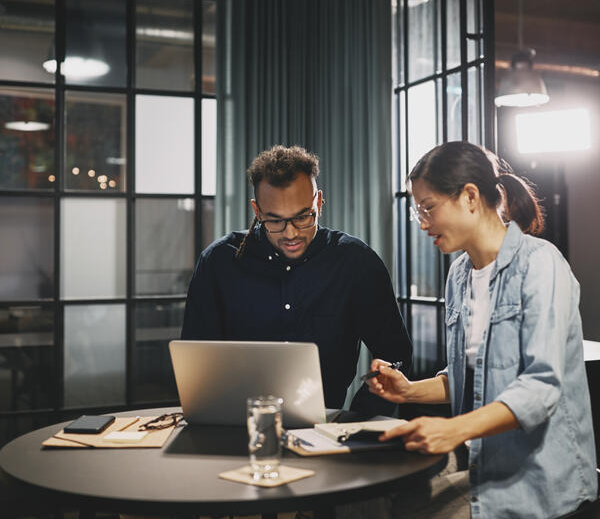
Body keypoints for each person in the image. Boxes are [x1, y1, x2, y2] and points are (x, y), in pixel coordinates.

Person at [367, 141, 597, 518]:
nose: (422, 223)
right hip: (482, 467)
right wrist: (408, 391)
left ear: (470, 197)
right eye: (417, 211)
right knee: (371, 500)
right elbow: (466, 378)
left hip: (539, 484)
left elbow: (541, 388)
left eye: (428, 208)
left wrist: (454, 430)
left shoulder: (541, 265)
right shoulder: (459, 275)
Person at [182, 145, 412, 415]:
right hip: (233, 425)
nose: (291, 233)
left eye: (303, 217)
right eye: (275, 221)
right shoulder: (218, 262)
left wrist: (357, 421)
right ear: (257, 211)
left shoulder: (357, 263)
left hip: (327, 428)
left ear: (319, 202)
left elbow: (395, 355)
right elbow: (195, 362)